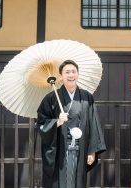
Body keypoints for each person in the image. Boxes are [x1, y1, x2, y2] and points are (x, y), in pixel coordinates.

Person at [37, 59, 106, 188]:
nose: (71, 75)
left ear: (78, 75)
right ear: (61, 76)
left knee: (77, 181)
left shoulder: (87, 97)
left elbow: (93, 123)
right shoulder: (51, 98)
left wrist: (92, 150)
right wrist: (57, 121)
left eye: (74, 71)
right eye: (67, 72)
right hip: (61, 148)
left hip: (81, 147)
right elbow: (41, 122)